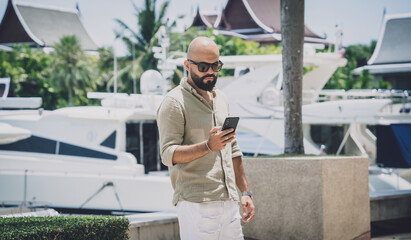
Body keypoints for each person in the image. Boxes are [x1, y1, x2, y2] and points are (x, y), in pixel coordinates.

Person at [157, 36, 255, 239]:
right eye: (203, 66)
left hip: (229, 201)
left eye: (215, 65)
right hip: (196, 204)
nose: (210, 72)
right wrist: (208, 146)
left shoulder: (222, 98)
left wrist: (245, 192)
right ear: (187, 65)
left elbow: (233, 148)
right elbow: (168, 154)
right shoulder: (174, 102)